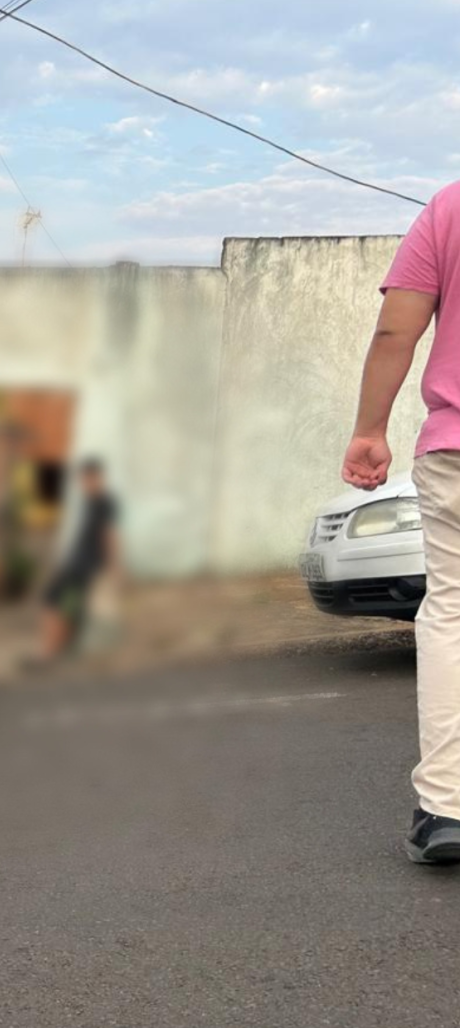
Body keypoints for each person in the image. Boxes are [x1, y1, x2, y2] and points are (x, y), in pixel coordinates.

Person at [341, 180, 460, 863]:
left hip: (456, 449)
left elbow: (397, 328)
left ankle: (447, 809)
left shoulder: (447, 207)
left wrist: (369, 429)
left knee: (451, 614)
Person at [39, 458, 119, 660]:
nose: (85, 483)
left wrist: (114, 567)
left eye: (89, 478)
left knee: (55, 602)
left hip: (84, 567)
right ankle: (61, 649)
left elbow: (109, 535)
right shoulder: (90, 502)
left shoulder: (104, 503)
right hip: (76, 564)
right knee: (70, 607)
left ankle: (51, 651)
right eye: (83, 479)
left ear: (98, 478)